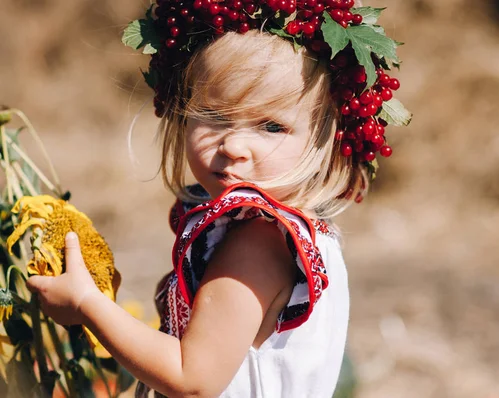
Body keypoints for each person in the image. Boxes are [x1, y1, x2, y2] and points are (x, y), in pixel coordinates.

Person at [26, 1, 409, 397]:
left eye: (272, 126)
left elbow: (191, 379)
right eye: (216, 115)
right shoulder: (294, 231)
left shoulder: (258, 241)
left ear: (325, 137)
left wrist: (88, 304)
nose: (234, 144)